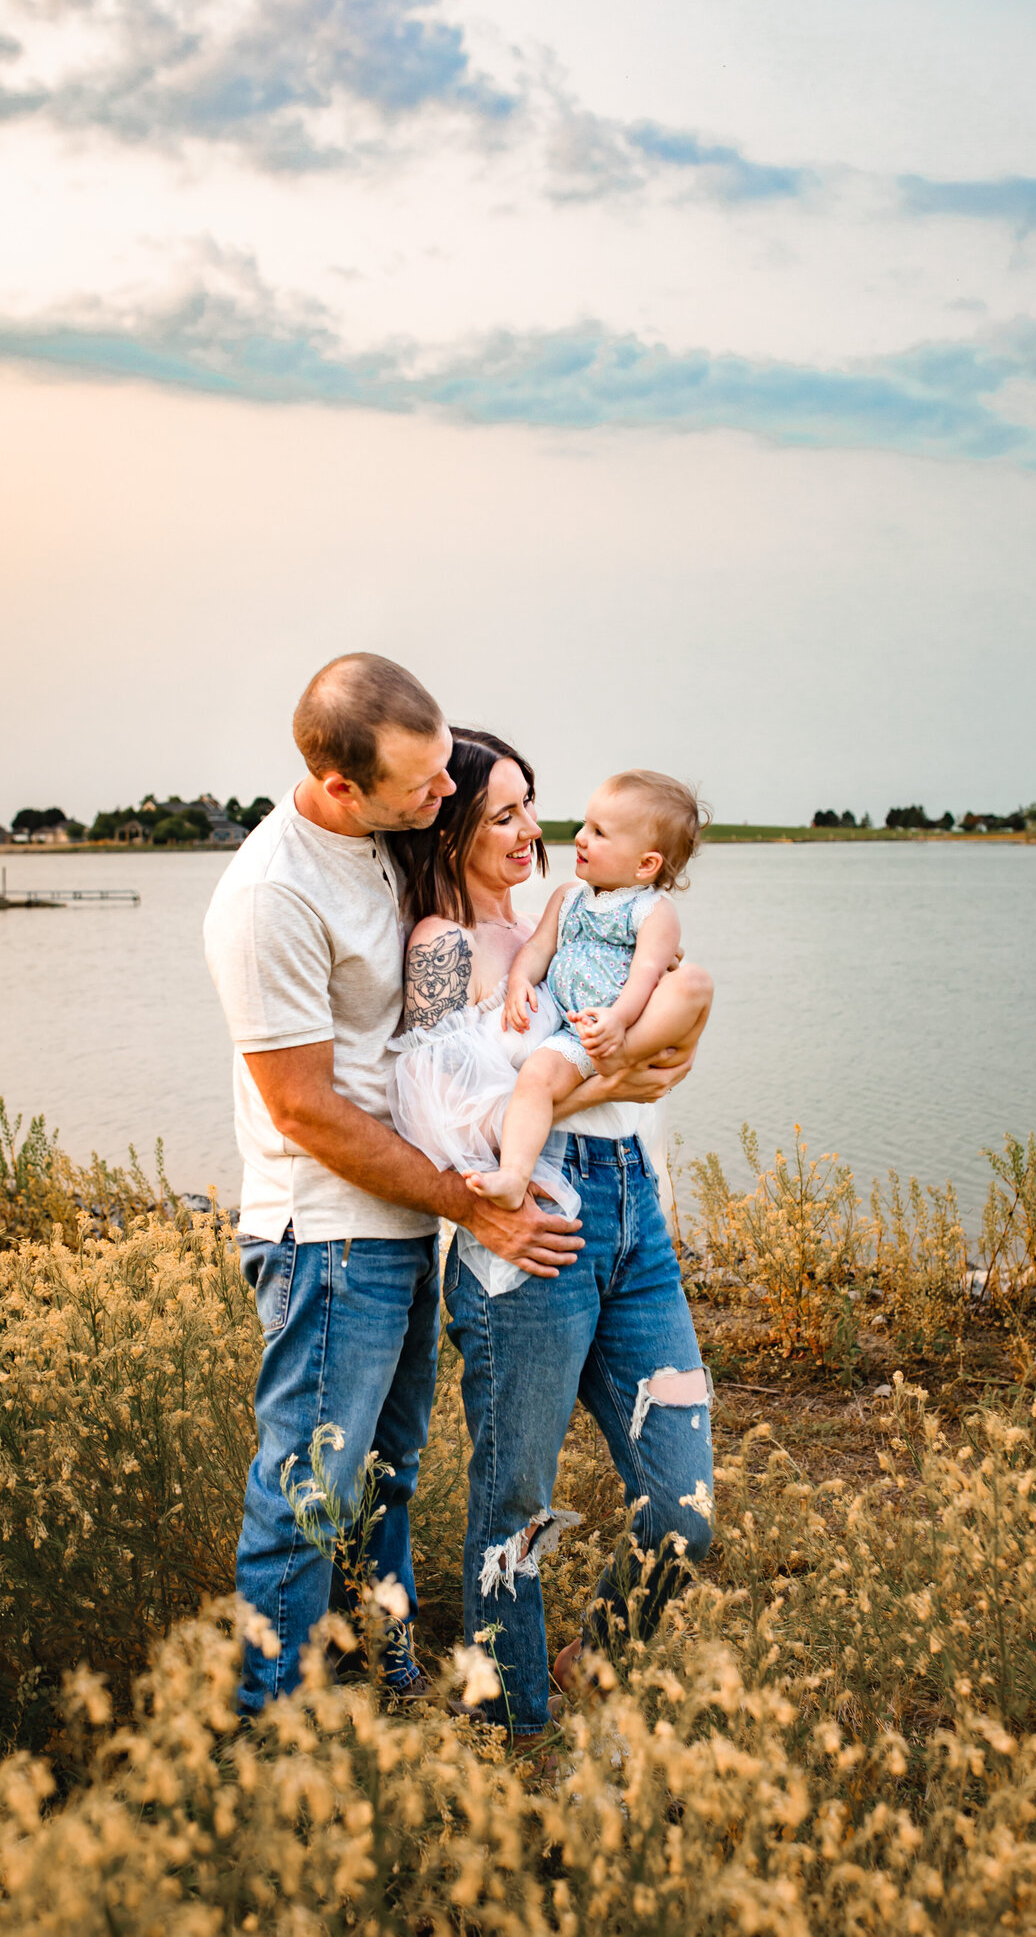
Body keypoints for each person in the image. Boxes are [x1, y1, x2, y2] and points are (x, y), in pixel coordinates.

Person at [204, 656, 694, 1715]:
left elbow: (615, 1013)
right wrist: (490, 1177)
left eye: (451, 783)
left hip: (411, 1209)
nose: (442, 799)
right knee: (315, 1482)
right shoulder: (275, 894)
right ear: (350, 787)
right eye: (474, 803)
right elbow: (334, 1097)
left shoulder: (395, 858)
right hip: (332, 1216)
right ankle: (266, 1719)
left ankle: (379, 1663)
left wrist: (659, 1034)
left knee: (389, 1467)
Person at [391, 729, 715, 1740]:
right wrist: (615, 1075)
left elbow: (654, 1046)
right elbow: (435, 1109)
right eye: (505, 812)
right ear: (451, 827)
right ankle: (511, 1721)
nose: (534, 829)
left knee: (685, 1503)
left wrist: (668, 1037)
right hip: (526, 1240)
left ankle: (597, 1651)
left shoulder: (570, 924)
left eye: (534, 805)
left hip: (634, 1224)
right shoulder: (442, 944)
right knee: (517, 1506)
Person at [463, 769, 711, 1212]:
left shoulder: (653, 911)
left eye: (599, 833)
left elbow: (646, 975)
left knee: (694, 982)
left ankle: (626, 1053)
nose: (580, 838)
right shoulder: (568, 897)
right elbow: (539, 947)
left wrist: (617, 1021)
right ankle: (514, 1175)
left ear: (645, 864)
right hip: (572, 1030)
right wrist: (520, 981)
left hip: (620, 1022)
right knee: (536, 1079)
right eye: (584, 825)